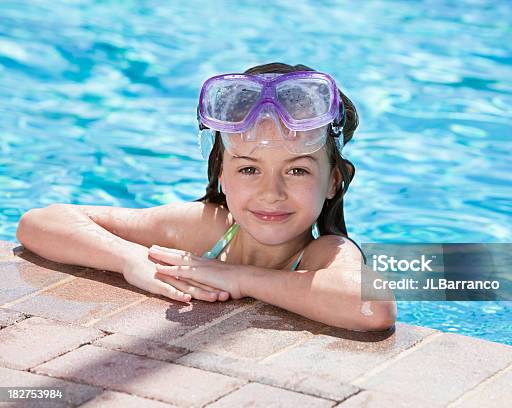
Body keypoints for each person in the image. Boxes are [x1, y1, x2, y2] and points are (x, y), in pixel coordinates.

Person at [16, 62, 396, 332]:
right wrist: (130, 259)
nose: (271, 192)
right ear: (220, 176)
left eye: (297, 170)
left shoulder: (323, 253)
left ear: (334, 181)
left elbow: (373, 306)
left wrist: (241, 279)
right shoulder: (208, 228)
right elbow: (41, 222)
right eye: (249, 169)